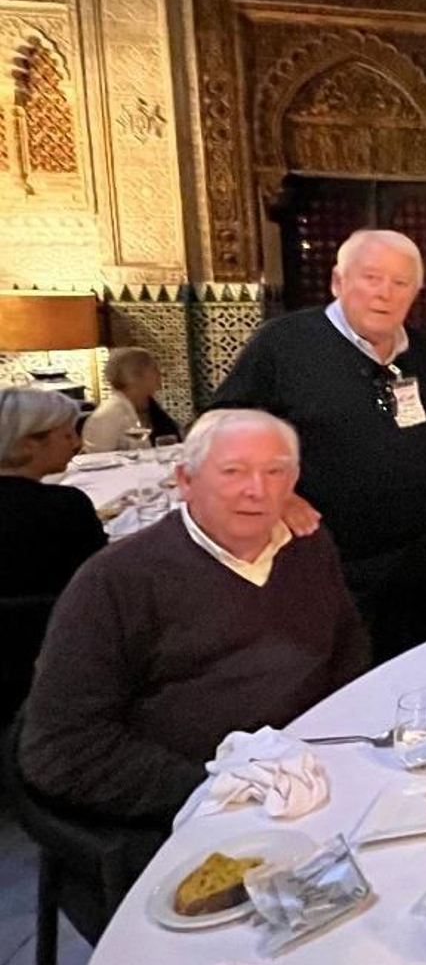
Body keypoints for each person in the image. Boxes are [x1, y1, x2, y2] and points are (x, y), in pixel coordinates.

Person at [18, 409, 368, 834]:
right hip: (199, 806)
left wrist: (340, 743)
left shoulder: (307, 546)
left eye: (275, 472)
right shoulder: (116, 580)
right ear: (185, 481)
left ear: (294, 483)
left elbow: (347, 644)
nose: (256, 491)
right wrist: (214, 788)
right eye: (233, 471)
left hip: (317, 777)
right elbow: (60, 748)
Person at [211, 229, 426, 659]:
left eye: (400, 283)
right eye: (370, 278)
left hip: (413, 557)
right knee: (335, 674)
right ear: (338, 282)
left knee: (406, 666)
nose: (384, 294)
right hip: (323, 559)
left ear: (415, 292)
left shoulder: (419, 351)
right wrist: (276, 496)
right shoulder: (284, 345)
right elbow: (223, 426)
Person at [0, 388, 108, 723]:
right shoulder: (65, 507)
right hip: (60, 661)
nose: (76, 444)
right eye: (67, 434)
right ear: (29, 443)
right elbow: (100, 592)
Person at [80, 347, 181, 453]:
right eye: (154, 369)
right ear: (136, 376)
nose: (161, 374)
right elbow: (97, 460)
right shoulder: (107, 416)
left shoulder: (151, 407)